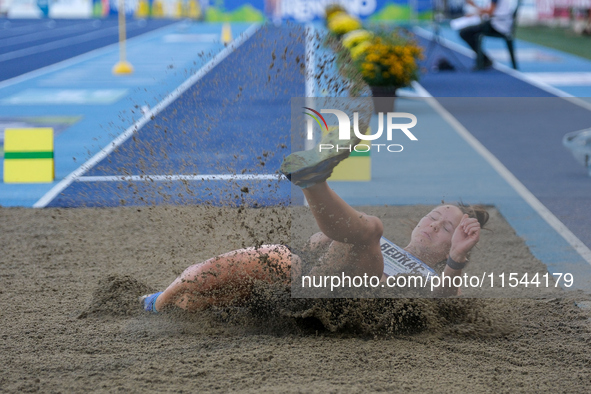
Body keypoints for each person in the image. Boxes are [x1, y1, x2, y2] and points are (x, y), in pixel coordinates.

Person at [140, 132, 489, 313]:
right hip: (312, 284)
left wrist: (458, 260)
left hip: (357, 305)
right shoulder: (384, 247)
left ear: (450, 250)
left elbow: (448, 299)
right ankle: (159, 300)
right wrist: (320, 243)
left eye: (446, 230)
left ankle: (312, 180)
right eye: (433, 217)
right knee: (275, 258)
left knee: (371, 230)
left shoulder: (438, 277)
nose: (433, 225)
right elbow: (314, 248)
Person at [458, 0, 516, 70]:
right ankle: (484, 59)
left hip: (497, 25)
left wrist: (474, 6)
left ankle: (483, 59)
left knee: (465, 33)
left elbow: (490, 12)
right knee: (467, 31)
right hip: (497, 23)